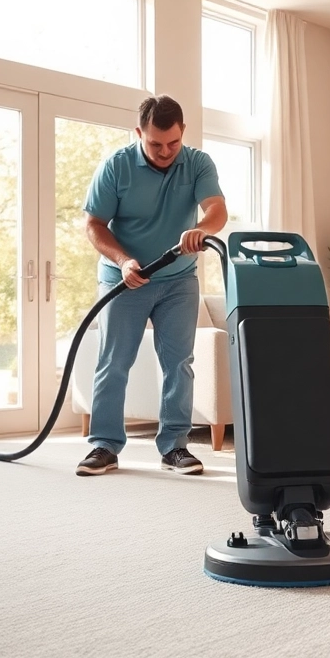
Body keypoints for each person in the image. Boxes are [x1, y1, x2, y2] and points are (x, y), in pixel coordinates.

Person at [78, 95, 228, 476]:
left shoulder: (196, 163)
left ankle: (175, 447)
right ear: (139, 133)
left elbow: (216, 209)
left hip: (177, 279)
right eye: (155, 144)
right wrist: (123, 260)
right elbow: (93, 224)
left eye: (173, 143)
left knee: (179, 363)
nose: (165, 152)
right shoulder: (116, 167)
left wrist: (202, 229)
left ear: (183, 133)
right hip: (125, 279)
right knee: (114, 363)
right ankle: (105, 446)